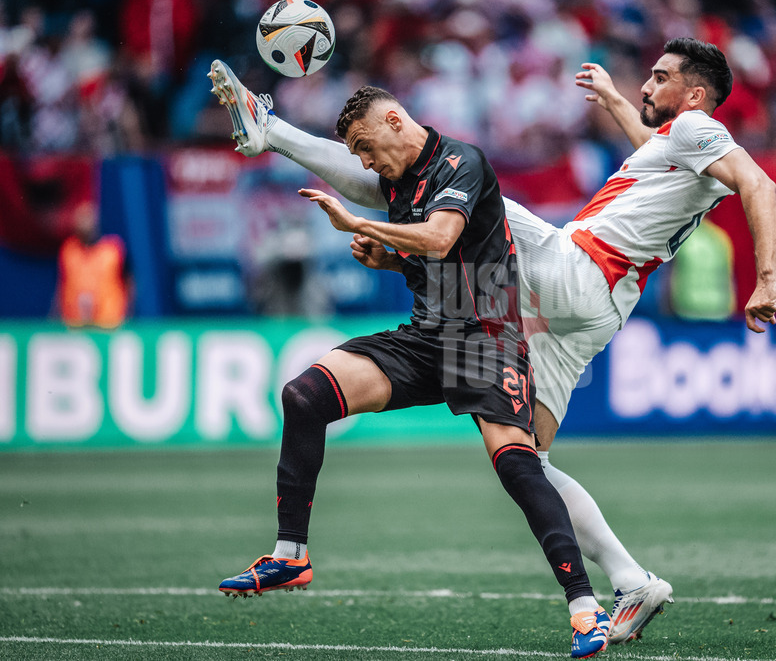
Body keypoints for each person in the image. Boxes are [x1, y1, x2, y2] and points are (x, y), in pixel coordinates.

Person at [208, 36, 776, 643]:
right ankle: (630, 579)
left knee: (457, 191)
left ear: (694, 96)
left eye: (660, 77)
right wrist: (615, 104)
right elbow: (665, 155)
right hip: (602, 307)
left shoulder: (695, 129)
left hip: (578, 266)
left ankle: (271, 131)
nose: (646, 84)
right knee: (529, 457)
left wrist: (766, 279)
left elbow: (760, 184)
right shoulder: (681, 146)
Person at [212, 84, 611, 659]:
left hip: (486, 337)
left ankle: (585, 610)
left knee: (520, 468)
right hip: (427, 335)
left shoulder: (461, 162)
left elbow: (443, 237)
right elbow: (438, 261)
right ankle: (289, 554)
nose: (365, 163)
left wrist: (363, 228)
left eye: (366, 147)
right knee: (304, 396)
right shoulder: (401, 180)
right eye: (357, 153)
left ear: (395, 121)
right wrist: (394, 261)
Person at [55, 200, 131, 329]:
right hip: (75, 324)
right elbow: (62, 284)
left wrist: (127, 312)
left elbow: (129, 281)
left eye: (87, 219)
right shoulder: (69, 250)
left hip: (108, 324)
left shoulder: (113, 250)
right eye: (80, 220)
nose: (83, 225)